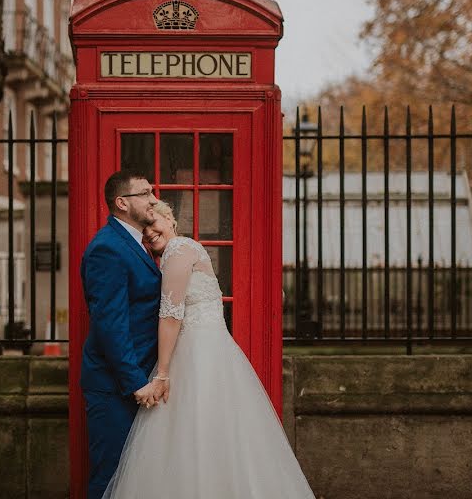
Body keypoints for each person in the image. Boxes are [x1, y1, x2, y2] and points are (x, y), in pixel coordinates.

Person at [102, 201, 316, 498]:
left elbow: (171, 314)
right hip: (210, 354)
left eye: (154, 223)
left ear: (170, 219)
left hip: (196, 357)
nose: (149, 233)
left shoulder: (179, 249)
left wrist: (161, 373)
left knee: (190, 439)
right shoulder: (176, 254)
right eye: (144, 229)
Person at [80, 170, 168, 499]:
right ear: (121, 202)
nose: (153, 199)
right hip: (116, 386)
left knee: (137, 479)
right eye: (144, 193)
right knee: (111, 477)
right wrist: (136, 383)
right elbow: (110, 325)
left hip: (141, 378)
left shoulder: (135, 244)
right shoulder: (108, 249)